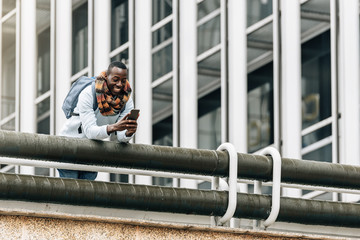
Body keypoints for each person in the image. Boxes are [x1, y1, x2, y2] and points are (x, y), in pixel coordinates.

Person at [58, 61, 138, 180]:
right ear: (107, 77)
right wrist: (115, 127)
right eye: (115, 79)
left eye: (123, 80)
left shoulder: (126, 100)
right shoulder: (89, 93)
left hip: (93, 151)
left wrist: (129, 132)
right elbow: (90, 131)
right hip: (70, 147)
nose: (120, 84)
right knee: (71, 193)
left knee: (88, 195)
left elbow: (121, 137)